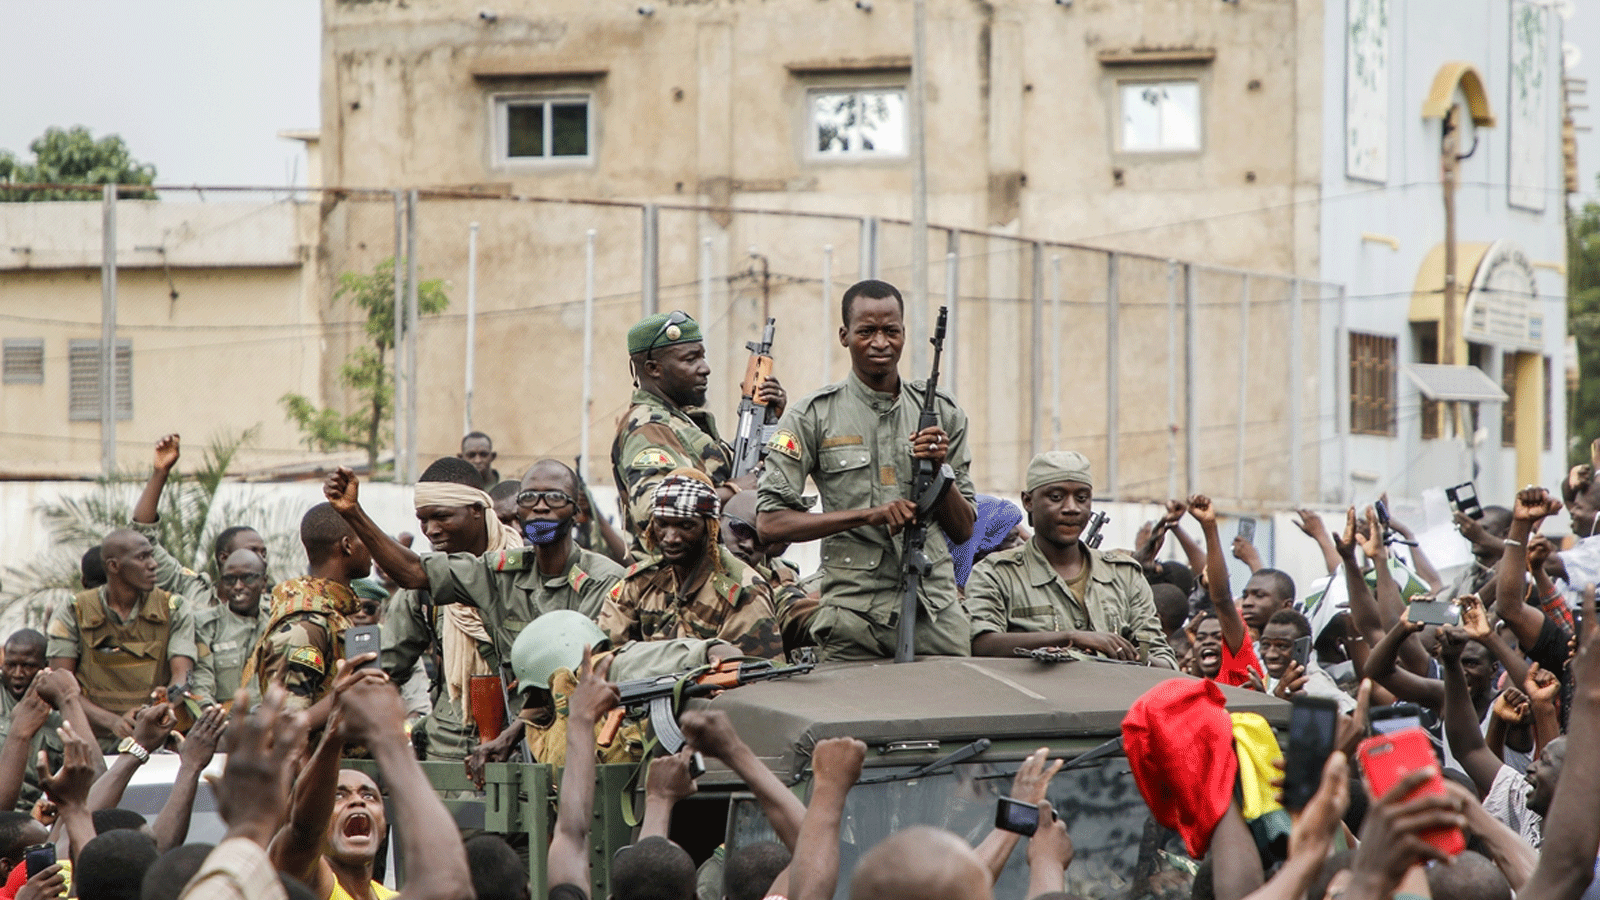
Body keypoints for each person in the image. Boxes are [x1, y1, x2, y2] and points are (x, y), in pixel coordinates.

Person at [757, 279, 976, 661]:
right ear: (845, 336)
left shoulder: (943, 412)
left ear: (904, 334)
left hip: (935, 615)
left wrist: (941, 472)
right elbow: (770, 524)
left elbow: (964, 529)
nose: (880, 343)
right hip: (852, 618)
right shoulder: (812, 416)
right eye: (867, 331)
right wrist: (868, 516)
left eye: (891, 331)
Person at [323, 461, 625, 673]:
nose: (541, 507)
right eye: (530, 498)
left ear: (576, 512)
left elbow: (590, 671)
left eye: (556, 498)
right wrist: (353, 513)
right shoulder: (498, 573)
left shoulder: (605, 579)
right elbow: (413, 572)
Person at [271, 663, 471, 900]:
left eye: (369, 796)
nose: (357, 802)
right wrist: (334, 734)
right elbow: (303, 831)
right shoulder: (309, 884)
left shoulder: (393, 896)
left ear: (385, 823)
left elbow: (448, 884)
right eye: (339, 795)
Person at [965, 451, 1175, 668]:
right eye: (1056, 497)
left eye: (1082, 498)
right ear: (1028, 501)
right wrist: (1071, 638)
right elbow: (980, 644)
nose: (1072, 508)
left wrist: (1126, 657)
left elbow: (1164, 659)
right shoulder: (996, 573)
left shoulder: (1124, 575)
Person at [612, 311, 786, 551]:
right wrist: (732, 491)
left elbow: (747, 477)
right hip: (676, 581)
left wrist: (767, 423)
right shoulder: (649, 427)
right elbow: (653, 511)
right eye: (690, 359)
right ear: (653, 369)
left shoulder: (682, 422)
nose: (705, 368)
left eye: (702, 357)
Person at [381, 456, 515, 761]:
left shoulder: (521, 573)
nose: (431, 530)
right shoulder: (421, 590)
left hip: (519, 745)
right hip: (448, 751)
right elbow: (388, 670)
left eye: (441, 516)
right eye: (423, 519)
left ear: (477, 511)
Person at [600, 471, 783, 660]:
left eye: (685, 526)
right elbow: (603, 660)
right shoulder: (639, 581)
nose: (671, 538)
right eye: (662, 525)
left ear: (711, 528)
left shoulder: (743, 591)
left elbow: (754, 675)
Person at [47, 529, 196, 752]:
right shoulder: (74, 610)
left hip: (154, 743)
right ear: (114, 566)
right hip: (90, 745)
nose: (153, 564)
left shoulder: (174, 608)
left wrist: (156, 710)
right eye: (142, 557)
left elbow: (183, 676)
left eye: (151, 555)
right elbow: (61, 689)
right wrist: (114, 722)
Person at [243, 504, 371, 725]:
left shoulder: (332, 614)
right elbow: (286, 724)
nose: (373, 548)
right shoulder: (304, 625)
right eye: (366, 538)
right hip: (310, 759)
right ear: (347, 546)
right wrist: (347, 695)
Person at [130, 435, 270, 608]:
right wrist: (160, 473)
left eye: (263, 554)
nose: (261, 559)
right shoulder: (193, 591)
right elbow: (140, 539)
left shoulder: (274, 609)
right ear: (224, 558)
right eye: (253, 551)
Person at [190, 550, 270, 707]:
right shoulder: (207, 625)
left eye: (247, 578)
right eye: (229, 580)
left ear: (263, 583)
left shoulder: (277, 625)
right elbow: (201, 680)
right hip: (224, 724)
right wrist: (209, 715)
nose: (238, 586)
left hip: (270, 724)